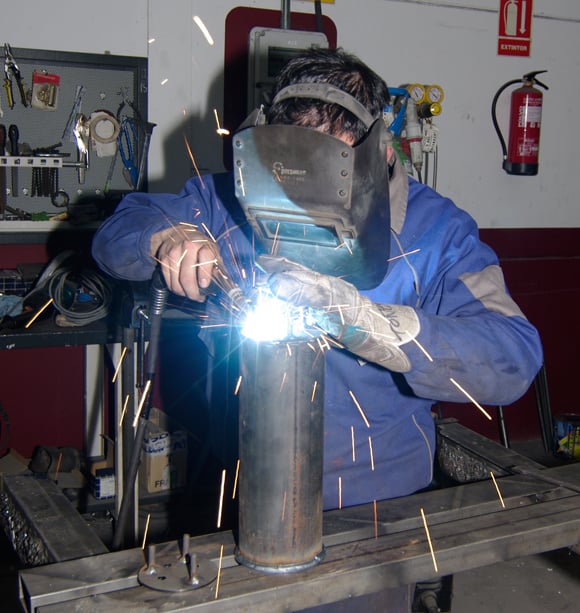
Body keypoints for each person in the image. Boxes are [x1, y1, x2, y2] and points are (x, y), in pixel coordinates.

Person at [92, 48, 543, 611]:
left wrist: (378, 325)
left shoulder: (438, 232)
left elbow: (515, 357)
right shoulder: (225, 197)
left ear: (376, 158)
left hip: (377, 512)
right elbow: (117, 234)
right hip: (237, 492)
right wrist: (168, 236)